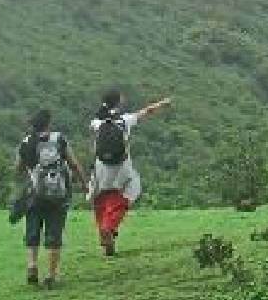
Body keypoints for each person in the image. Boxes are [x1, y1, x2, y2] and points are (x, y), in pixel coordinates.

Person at [88, 88, 172, 256]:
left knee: (101, 200)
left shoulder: (96, 123)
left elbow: (94, 143)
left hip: (101, 167)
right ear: (118, 102)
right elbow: (146, 112)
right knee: (129, 191)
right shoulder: (125, 121)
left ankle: (105, 236)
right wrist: (163, 103)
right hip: (122, 166)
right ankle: (109, 227)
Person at [16, 109, 87, 290]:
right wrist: (84, 183)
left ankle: (32, 265)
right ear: (48, 123)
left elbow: (17, 168)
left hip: (34, 194)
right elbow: (74, 163)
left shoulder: (26, 142)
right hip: (58, 195)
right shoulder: (59, 139)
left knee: (32, 230)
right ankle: (51, 275)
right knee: (54, 233)